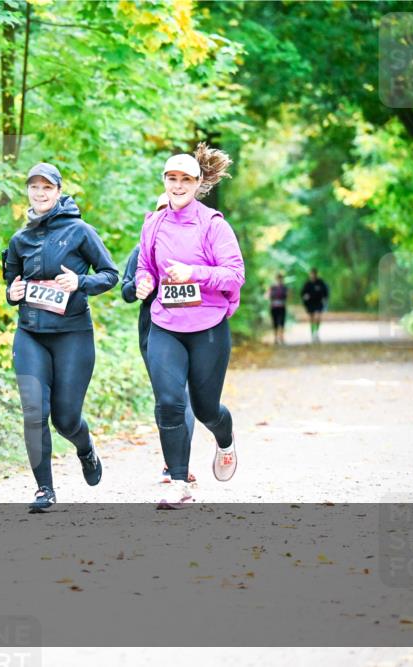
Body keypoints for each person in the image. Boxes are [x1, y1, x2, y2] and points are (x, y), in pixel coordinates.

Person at [3, 162, 119, 512]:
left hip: (72, 334)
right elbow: (10, 283)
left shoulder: (80, 231)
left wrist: (80, 283)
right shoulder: (19, 239)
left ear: (58, 191)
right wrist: (13, 292)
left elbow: (111, 274)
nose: (39, 193)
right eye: (34, 187)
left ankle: (85, 449)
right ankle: (44, 489)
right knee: (34, 411)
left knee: (66, 418)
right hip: (30, 334)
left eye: (46, 188)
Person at [135, 144, 245, 509]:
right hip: (166, 322)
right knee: (168, 402)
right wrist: (144, 282)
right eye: (172, 178)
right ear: (164, 181)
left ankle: (225, 440)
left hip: (208, 326)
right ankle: (179, 482)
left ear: (198, 184)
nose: (178, 185)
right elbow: (145, 266)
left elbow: (234, 274)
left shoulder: (214, 224)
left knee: (204, 408)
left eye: (185, 179)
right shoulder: (153, 223)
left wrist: (193, 273)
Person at [120, 193, 197, 485]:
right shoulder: (141, 249)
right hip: (153, 331)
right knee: (167, 397)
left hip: (191, 329)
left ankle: (180, 465)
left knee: (184, 396)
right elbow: (126, 290)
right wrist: (140, 288)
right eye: (162, 210)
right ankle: (171, 461)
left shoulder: (196, 246)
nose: (169, 215)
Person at [301, 268, 329, 343]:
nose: (312, 275)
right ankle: (312, 333)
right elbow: (303, 293)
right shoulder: (307, 284)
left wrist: (325, 298)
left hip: (318, 303)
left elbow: (325, 292)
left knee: (317, 317)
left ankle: (316, 332)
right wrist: (305, 297)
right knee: (311, 319)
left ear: (316, 274)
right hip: (310, 304)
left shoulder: (320, 282)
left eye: (314, 274)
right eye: (311, 274)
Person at [269, 273, 288, 345]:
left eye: (281, 279)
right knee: (275, 323)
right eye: (278, 279)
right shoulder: (272, 287)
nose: (279, 280)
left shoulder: (284, 288)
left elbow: (288, 297)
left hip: (282, 307)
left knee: (282, 322)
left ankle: (281, 337)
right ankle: (276, 338)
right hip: (274, 307)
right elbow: (268, 295)